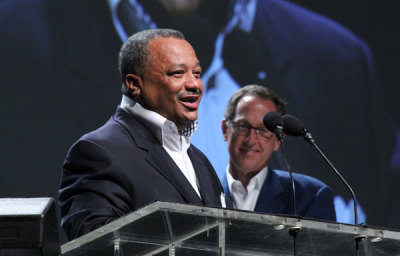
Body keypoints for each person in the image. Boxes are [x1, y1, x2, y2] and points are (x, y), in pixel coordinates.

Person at [58, 28, 229, 241]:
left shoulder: (200, 160)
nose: (194, 84)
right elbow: (96, 242)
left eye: (196, 73)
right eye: (177, 73)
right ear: (134, 84)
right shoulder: (98, 152)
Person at [220, 84, 336, 221]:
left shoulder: (310, 196)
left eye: (262, 130)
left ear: (278, 140)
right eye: (242, 126)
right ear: (225, 130)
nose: (251, 139)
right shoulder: (200, 193)